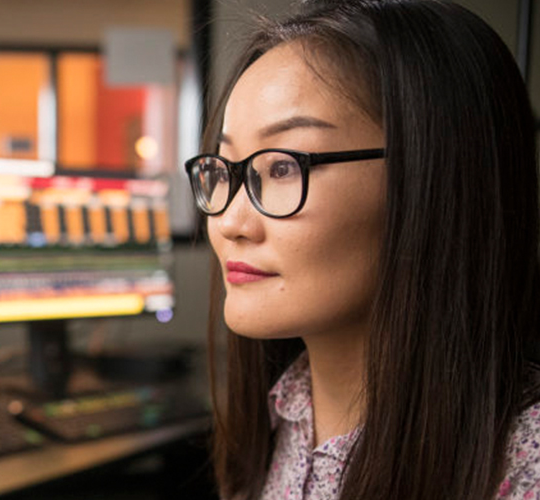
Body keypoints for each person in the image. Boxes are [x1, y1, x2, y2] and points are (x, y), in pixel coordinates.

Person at [185, 0, 540, 499]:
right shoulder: (280, 414)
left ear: (435, 179)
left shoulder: (525, 468)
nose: (229, 222)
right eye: (224, 169)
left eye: (283, 167)